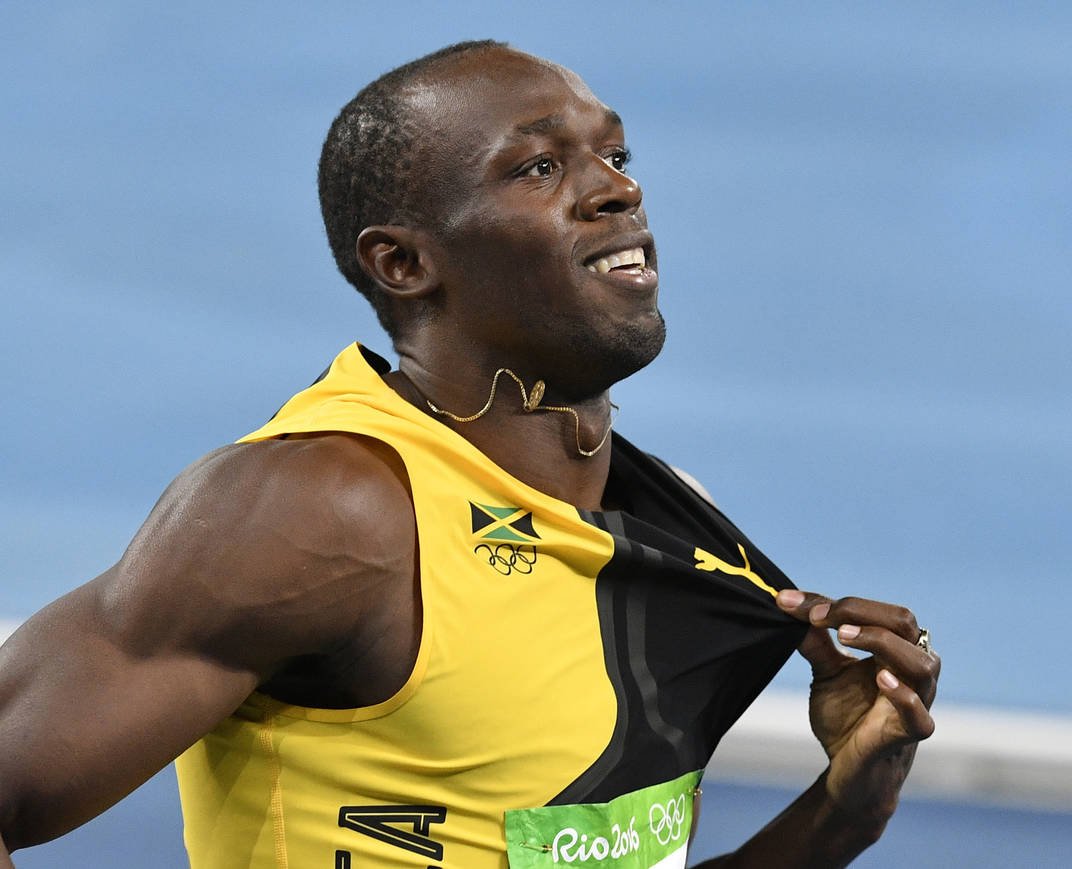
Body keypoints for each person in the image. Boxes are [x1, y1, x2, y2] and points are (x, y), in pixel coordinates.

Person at [0, 40, 939, 868]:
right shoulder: (325, 508)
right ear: (404, 263)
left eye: (615, 155)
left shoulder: (656, 533)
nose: (618, 189)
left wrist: (845, 812)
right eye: (539, 167)